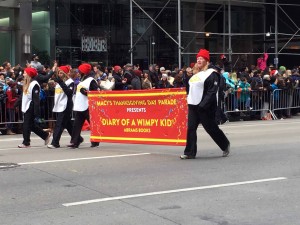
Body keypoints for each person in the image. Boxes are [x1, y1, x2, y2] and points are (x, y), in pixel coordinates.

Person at [180, 49, 230, 159]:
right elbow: (190, 88)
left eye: (201, 58)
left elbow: (212, 91)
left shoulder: (212, 73)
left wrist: (203, 105)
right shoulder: (196, 74)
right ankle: (189, 152)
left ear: (206, 61)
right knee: (191, 129)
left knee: (211, 128)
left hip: (204, 107)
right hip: (193, 106)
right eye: (198, 58)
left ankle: (225, 144)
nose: (198, 60)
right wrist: (187, 77)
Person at [47, 65, 83, 148]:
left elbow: (69, 93)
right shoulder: (59, 82)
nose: (60, 74)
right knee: (68, 124)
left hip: (66, 105)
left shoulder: (70, 82)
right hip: (59, 106)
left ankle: (55, 143)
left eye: (61, 73)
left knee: (59, 124)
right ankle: (78, 139)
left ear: (65, 73)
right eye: (58, 73)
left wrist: (61, 82)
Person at [68, 63, 100, 148]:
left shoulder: (91, 80)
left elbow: (97, 93)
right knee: (76, 125)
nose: (78, 72)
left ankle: (95, 141)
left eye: (80, 71)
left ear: (84, 72)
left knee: (92, 124)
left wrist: (86, 93)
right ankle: (75, 141)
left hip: (87, 106)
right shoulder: (81, 80)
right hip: (80, 105)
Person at [18, 68, 51, 148]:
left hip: (31, 106)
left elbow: (36, 99)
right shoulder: (27, 83)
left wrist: (36, 112)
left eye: (25, 73)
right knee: (31, 125)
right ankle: (45, 135)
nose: (23, 74)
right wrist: (16, 104)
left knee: (26, 125)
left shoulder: (34, 84)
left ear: (29, 74)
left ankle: (26, 142)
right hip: (26, 107)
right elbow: (23, 96)